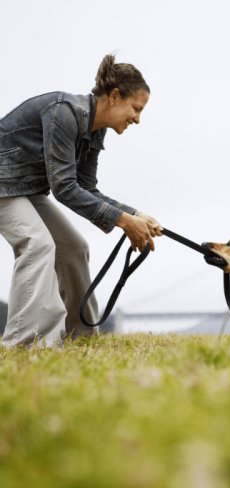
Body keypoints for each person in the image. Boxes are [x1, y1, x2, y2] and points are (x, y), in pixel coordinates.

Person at [0, 54, 162, 348]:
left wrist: (135, 215)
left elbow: (87, 188)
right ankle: (24, 344)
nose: (138, 118)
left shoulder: (94, 132)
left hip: (25, 189)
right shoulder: (64, 112)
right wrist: (124, 222)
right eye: (136, 109)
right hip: (2, 183)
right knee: (38, 244)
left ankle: (80, 338)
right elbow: (64, 188)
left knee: (75, 247)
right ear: (114, 97)